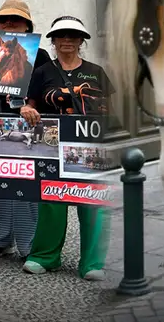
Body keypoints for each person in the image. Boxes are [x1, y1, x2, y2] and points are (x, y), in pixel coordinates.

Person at [19, 16, 114, 281]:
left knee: (94, 201)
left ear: (81, 40)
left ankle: (93, 262)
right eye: (62, 36)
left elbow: (113, 110)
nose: (67, 40)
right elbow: (31, 102)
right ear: (53, 41)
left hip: (90, 144)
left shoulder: (96, 72)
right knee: (51, 200)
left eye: (73, 36)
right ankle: (44, 256)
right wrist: (26, 108)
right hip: (51, 145)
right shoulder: (42, 72)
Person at [0, 0, 52, 258]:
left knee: (27, 183)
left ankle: (29, 243)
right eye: (3, 20)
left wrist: (27, 104)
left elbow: (44, 88)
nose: (8, 23)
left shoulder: (39, 54)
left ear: (26, 26)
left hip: (27, 125)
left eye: (15, 20)